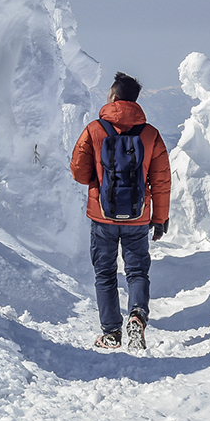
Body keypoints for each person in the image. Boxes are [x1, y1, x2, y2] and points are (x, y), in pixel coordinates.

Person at [70, 72, 170, 350]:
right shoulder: (150, 135)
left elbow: (79, 171)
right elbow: (161, 180)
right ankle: (137, 315)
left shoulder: (94, 129)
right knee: (137, 271)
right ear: (135, 100)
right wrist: (160, 218)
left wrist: (98, 179)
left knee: (105, 272)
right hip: (138, 216)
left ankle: (112, 333)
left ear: (113, 97)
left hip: (102, 215)